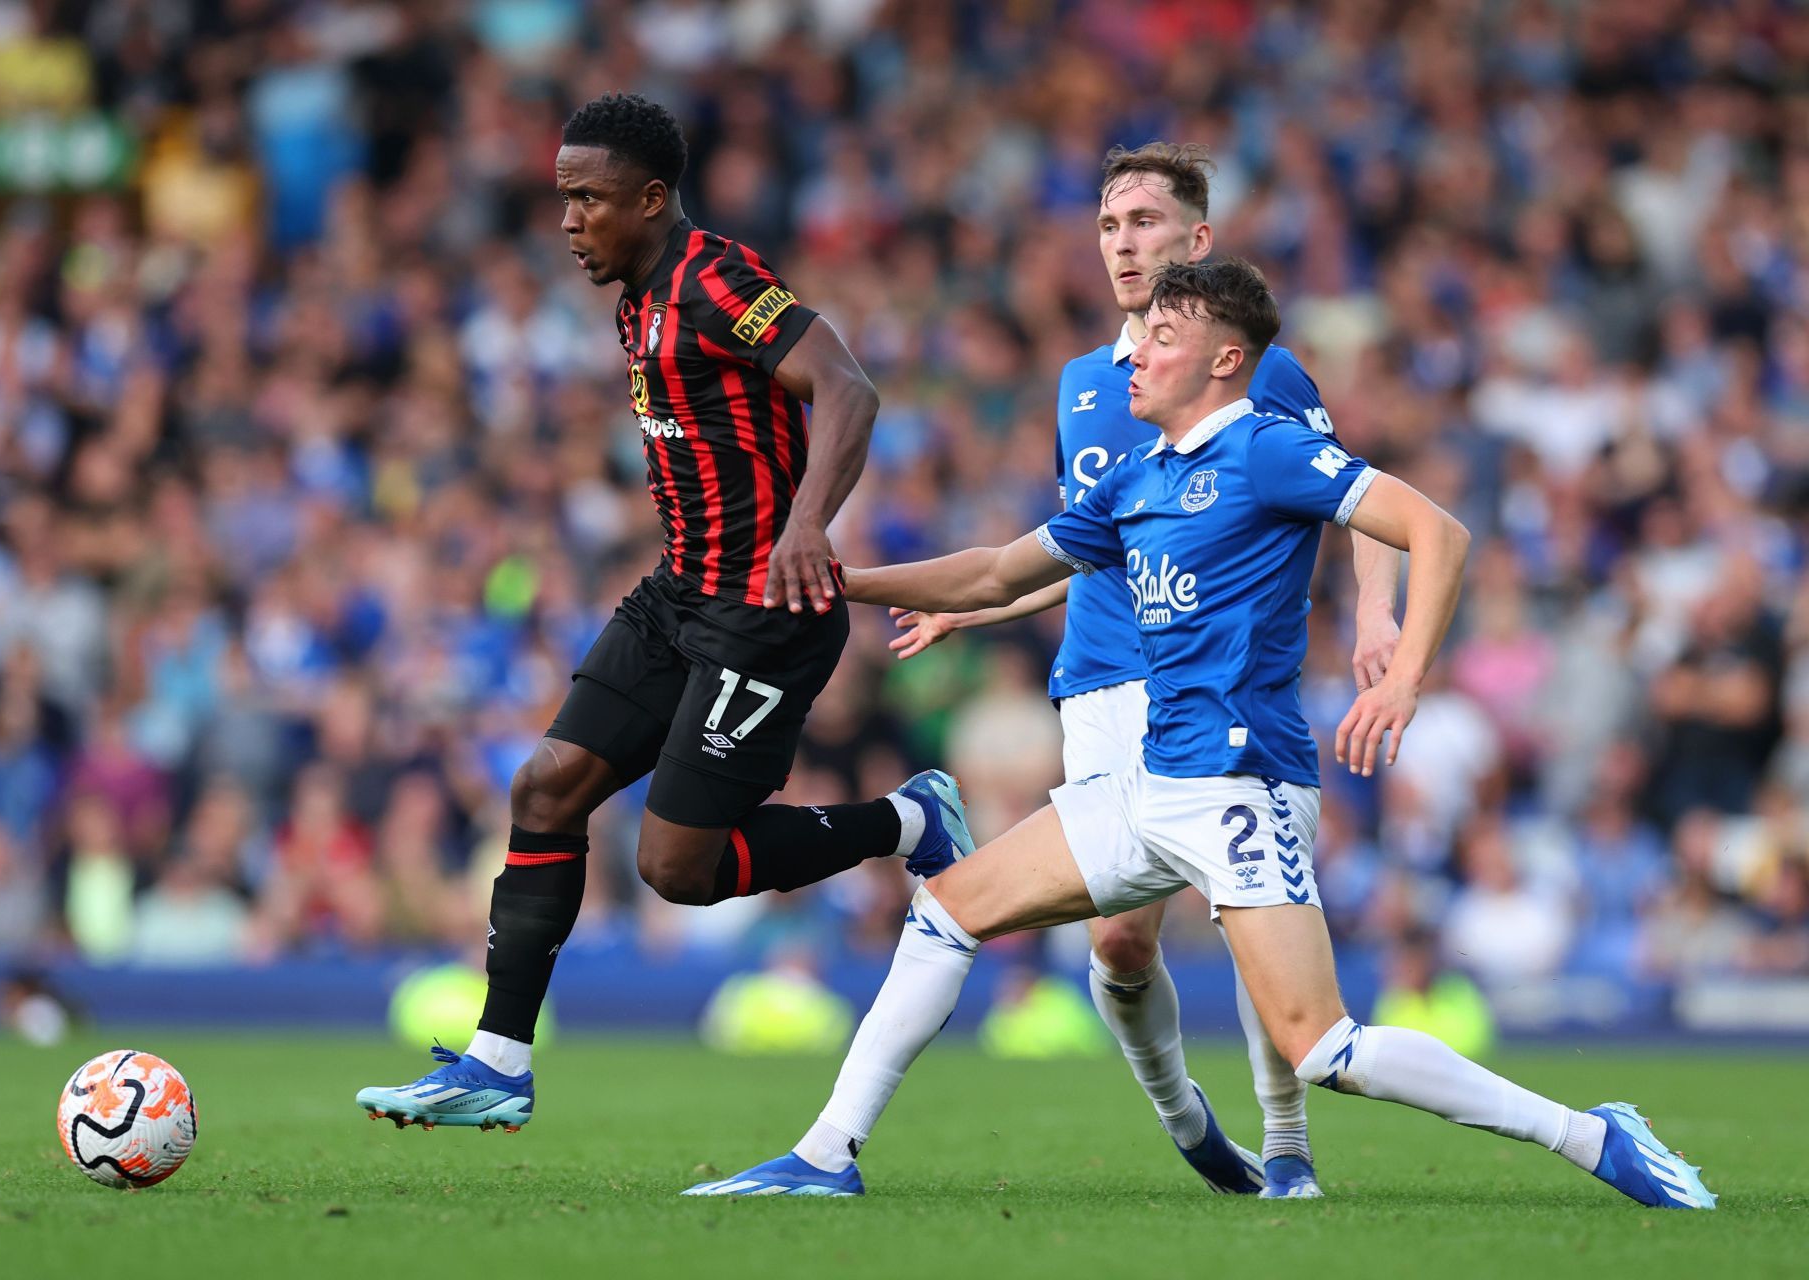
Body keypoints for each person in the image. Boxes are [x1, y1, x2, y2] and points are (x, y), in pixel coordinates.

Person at [686, 260, 1715, 1212]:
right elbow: (1001, 573)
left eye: (1161, 336)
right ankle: (826, 1154)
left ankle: (1591, 1134)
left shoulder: (1267, 448)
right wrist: (838, 577)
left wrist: (1402, 675)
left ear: (1225, 357)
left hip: (1233, 785)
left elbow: (1434, 528)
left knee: (1322, 1046)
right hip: (1141, 784)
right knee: (947, 907)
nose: (1132, 352)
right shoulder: (1137, 480)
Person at [355, 93, 975, 1131]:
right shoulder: (632, 296)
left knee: (676, 867)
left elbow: (849, 387)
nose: (567, 221)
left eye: (587, 200)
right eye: (562, 200)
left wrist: (808, 524)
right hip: (679, 591)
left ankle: (911, 818)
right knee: (546, 786)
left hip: (765, 610)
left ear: (650, 199)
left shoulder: (715, 281)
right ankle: (498, 1062)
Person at [850, 143, 1402, 1200]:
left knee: (1252, 919)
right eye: (1109, 224)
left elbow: (1370, 500)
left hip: (1212, 680)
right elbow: (1109, 540)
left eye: (1147, 220)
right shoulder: (1083, 384)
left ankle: (1285, 1138)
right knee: (1118, 940)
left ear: (1198, 239)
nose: (1124, 242)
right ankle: (1184, 1113)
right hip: (1099, 678)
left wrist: (1377, 612)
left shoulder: (1254, 366)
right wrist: (988, 604)